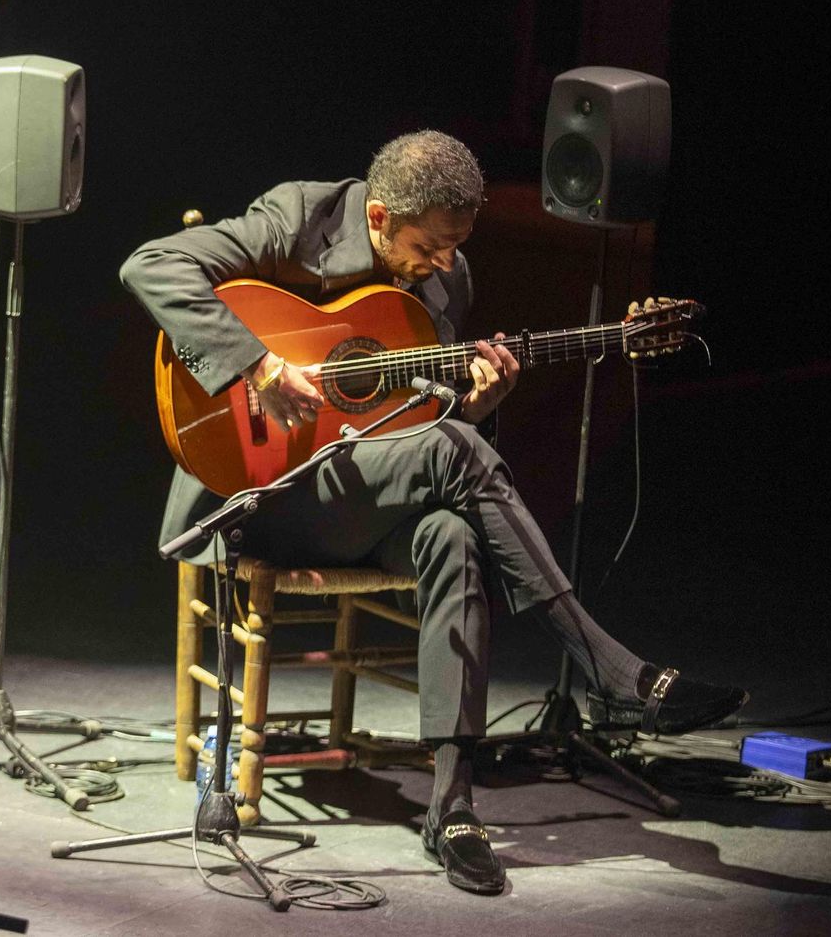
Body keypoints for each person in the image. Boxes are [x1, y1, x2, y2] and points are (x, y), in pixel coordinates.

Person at [119, 129, 745, 896]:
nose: (445, 263)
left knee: (450, 533)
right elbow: (151, 263)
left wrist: (477, 405)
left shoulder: (449, 280)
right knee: (452, 454)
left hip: (366, 503)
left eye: (457, 246)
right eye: (430, 246)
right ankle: (610, 669)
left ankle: (452, 808)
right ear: (378, 217)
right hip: (262, 495)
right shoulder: (298, 220)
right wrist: (259, 361)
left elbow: (422, 431)